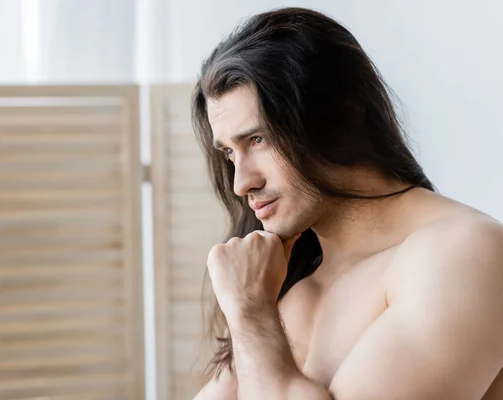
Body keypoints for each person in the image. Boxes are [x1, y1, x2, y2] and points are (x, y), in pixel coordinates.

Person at [190, 7, 503, 400]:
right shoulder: (287, 281)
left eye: (259, 140)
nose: (241, 183)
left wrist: (251, 312)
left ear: (340, 118)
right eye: (230, 154)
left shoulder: (464, 252)